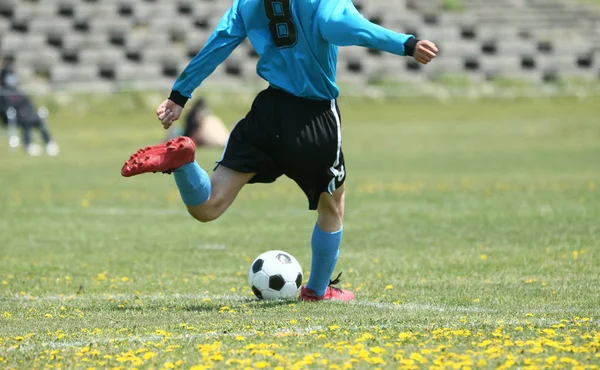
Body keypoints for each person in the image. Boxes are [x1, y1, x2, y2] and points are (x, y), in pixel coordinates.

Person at [121, 0, 438, 301]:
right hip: (313, 118)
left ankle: (184, 164)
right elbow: (343, 25)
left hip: (267, 113)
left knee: (208, 207)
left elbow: (219, 42)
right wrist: (406, 44)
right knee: (333, 206)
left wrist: (179, 95)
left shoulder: (249, 3)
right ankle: (317, 290)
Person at [0, 55, 59, 156]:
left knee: (38, 119)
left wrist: (31, 110)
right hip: (14, 117)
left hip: (25, 114)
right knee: (27, 120)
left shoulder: (18, 91)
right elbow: (4, 109)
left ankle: (49, 143)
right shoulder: (3, 92)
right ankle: (28, 145)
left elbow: (28, 103)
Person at [165, 98, 230, 148]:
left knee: (175, 133)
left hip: (213, 141)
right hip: (224, 141)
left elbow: (196, 134)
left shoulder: (201, 120)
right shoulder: (213, 118)